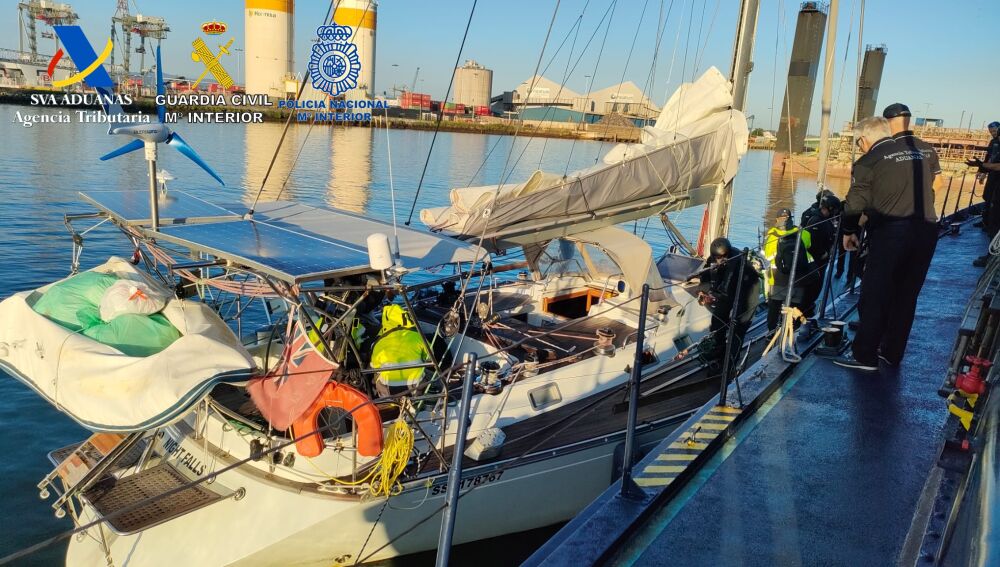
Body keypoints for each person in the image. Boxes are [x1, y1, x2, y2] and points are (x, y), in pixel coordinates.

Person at [833, 116, 938, 372]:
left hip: (892, 233)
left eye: (858, 143)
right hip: (926, 231)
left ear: (863, 139)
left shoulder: (868, 161)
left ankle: (864, 356)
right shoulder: (918, 154)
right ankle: (892, 352)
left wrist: (849, 231)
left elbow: (855, 202)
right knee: (906, 295)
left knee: (875, 293)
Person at [699, 237, 760, 365]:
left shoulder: (737, 262)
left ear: (727, 253)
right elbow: (705, 275)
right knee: (717, 319)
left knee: (738, 325)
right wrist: (702, 291)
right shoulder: (713, 258)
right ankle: (718, 348)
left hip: (747, 288)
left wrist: (714, 296)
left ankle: (730, 361)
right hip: (728, 291)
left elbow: (728, 286)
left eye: (722, 257)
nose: (719, 260)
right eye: (717, 257)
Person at [763, 208, 814, 331]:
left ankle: (771, 332)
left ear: (777, 220)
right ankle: (792, 331)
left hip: (778, 278)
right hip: (799, 277)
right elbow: (808, 245)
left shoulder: (772, 236)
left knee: (774, 308)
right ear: (791, 219)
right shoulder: (803, 233)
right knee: (795, 308)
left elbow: (768, 256)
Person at [370, 304, 430, 396]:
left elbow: (374, 367)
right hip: (415, 388)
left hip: (389, 390)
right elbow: (430, 357)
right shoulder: (417, 336)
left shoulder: (379, 342)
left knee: (376, 377)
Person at [800, 193, 842, 315]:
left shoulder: (824, 220)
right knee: (813, 287)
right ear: (830, 208)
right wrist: (822, 253)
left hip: (821, 260)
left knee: (816, 287)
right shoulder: (816, 220)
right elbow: (812, 241)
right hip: (816, 260)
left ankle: (808, 307)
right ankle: (804, 311)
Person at [970, 122, 1000, 266]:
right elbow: (991, 159)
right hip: (996, 180)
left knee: (995, 222)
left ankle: (992, 256)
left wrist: (982, 166)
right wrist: (982, 169)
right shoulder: (994, 143)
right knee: (989, 201)